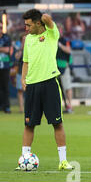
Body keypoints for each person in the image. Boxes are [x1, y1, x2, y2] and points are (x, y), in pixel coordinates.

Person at [18, 9, 73, 170]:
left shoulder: (51, 34)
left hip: (50, 84)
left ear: (37, 23)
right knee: (29, 124)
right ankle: (24, 159)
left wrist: (42, 16)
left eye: (28, 25)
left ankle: (63, 161)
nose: (26, 28)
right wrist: (23, 78)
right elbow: (25, 62)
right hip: (32, 86)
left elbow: (48, 20)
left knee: (57, 123)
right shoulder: (28, 39)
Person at [56, 26, 74, 114]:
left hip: (64, 66)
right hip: (54, 67)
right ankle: (60, 106)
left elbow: (68, 50)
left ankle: (70, 106)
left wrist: (59, 45)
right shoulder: (51, 40)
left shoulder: (65, 41)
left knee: (67, 87)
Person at [0, 22, 12, 114]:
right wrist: (3, 49)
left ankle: (6, 107)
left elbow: (8, 50)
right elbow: (5, 49)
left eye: (1, 27)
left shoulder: (6, 37)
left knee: (5, 87)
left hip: (5, 66)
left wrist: (4, 49)